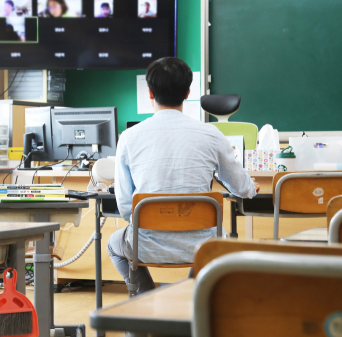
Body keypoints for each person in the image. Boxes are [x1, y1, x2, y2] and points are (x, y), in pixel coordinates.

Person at [108, 57, 259, 296]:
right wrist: (250, 187)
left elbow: (126, 208)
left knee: (113, 245)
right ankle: (192, 298)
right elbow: (242, 188)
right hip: (203, 246)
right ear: (189, 92)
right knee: (215, 245)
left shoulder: (128, 137)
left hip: (144, 246)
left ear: (149, 92)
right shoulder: (211, 134)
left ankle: (145, 299)